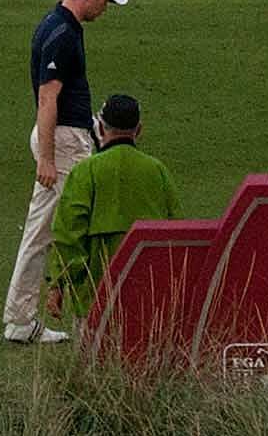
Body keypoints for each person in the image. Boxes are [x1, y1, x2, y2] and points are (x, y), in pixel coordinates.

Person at [5, 0, 126, 345]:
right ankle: (92, 317)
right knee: (86, 225)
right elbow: (48, 97)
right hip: (63, 142)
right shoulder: (61, 34)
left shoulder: (60, 25)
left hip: (64, 137)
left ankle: (20, 320)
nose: (106, 6)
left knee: (39, 233)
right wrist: (46, 157)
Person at [40, 92, 178, 335]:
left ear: (101, 128)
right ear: (139, 130)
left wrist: (58, 284)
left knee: (93, 367)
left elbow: (69, 234)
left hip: (95, 298)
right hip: (150, 298)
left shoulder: (86, 172)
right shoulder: (158, 171)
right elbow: (177, 232)